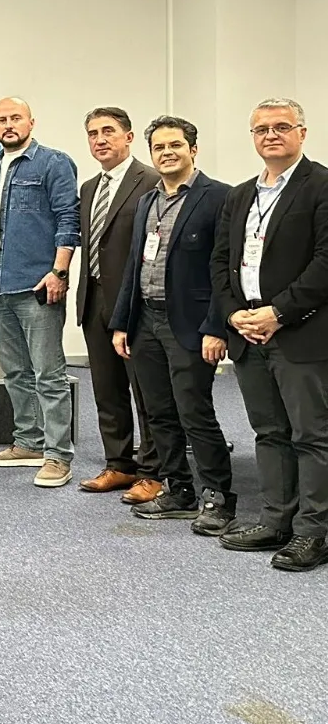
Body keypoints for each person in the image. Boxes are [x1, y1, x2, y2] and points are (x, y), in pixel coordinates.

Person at [211, 97, 328, 571]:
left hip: (301, 331)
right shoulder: (241, 195)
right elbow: (221, 261)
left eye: (281, 126)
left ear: (302, 132)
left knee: (311, 435)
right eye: (261, 129)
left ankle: (314, 531)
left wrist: (279, 312)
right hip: (249, 332)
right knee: (269, 432)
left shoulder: (321, 186)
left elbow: (326, 262)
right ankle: (277, 520)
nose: (271, 135)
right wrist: (233, 314)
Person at [109, 116, 233, 533]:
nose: (167, 153)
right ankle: (178, 489)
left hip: (191, 325)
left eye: (175, 145)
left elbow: (224, 270)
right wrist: (123, 323)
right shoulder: (148, 201)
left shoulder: (219, 197)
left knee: (194, 411)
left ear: (193, 149)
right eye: (159, 147)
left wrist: (216, 327)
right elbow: (134, 265)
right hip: (146, 320)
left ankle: (218, 497)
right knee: (158, 412)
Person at [0, 98, 80, 488]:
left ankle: (58, 455)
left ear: (31, 122)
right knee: (16, 372)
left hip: (38, 285)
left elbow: (69, 219)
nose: (8, 125)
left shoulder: (53, 163)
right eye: (1, 120)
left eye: (15, 118)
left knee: (49, 374)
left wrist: (59, 271)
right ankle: (29, 442)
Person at [75, 106, 161, 500]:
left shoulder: (152, 180)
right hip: (94, 298)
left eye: (108, 131)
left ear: (128, 136)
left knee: (146, 392)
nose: (100, 140)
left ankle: (153, 471)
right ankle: (119, 464)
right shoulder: (89, 187)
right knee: (107, 390)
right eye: (93, 134)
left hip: (136, 303)